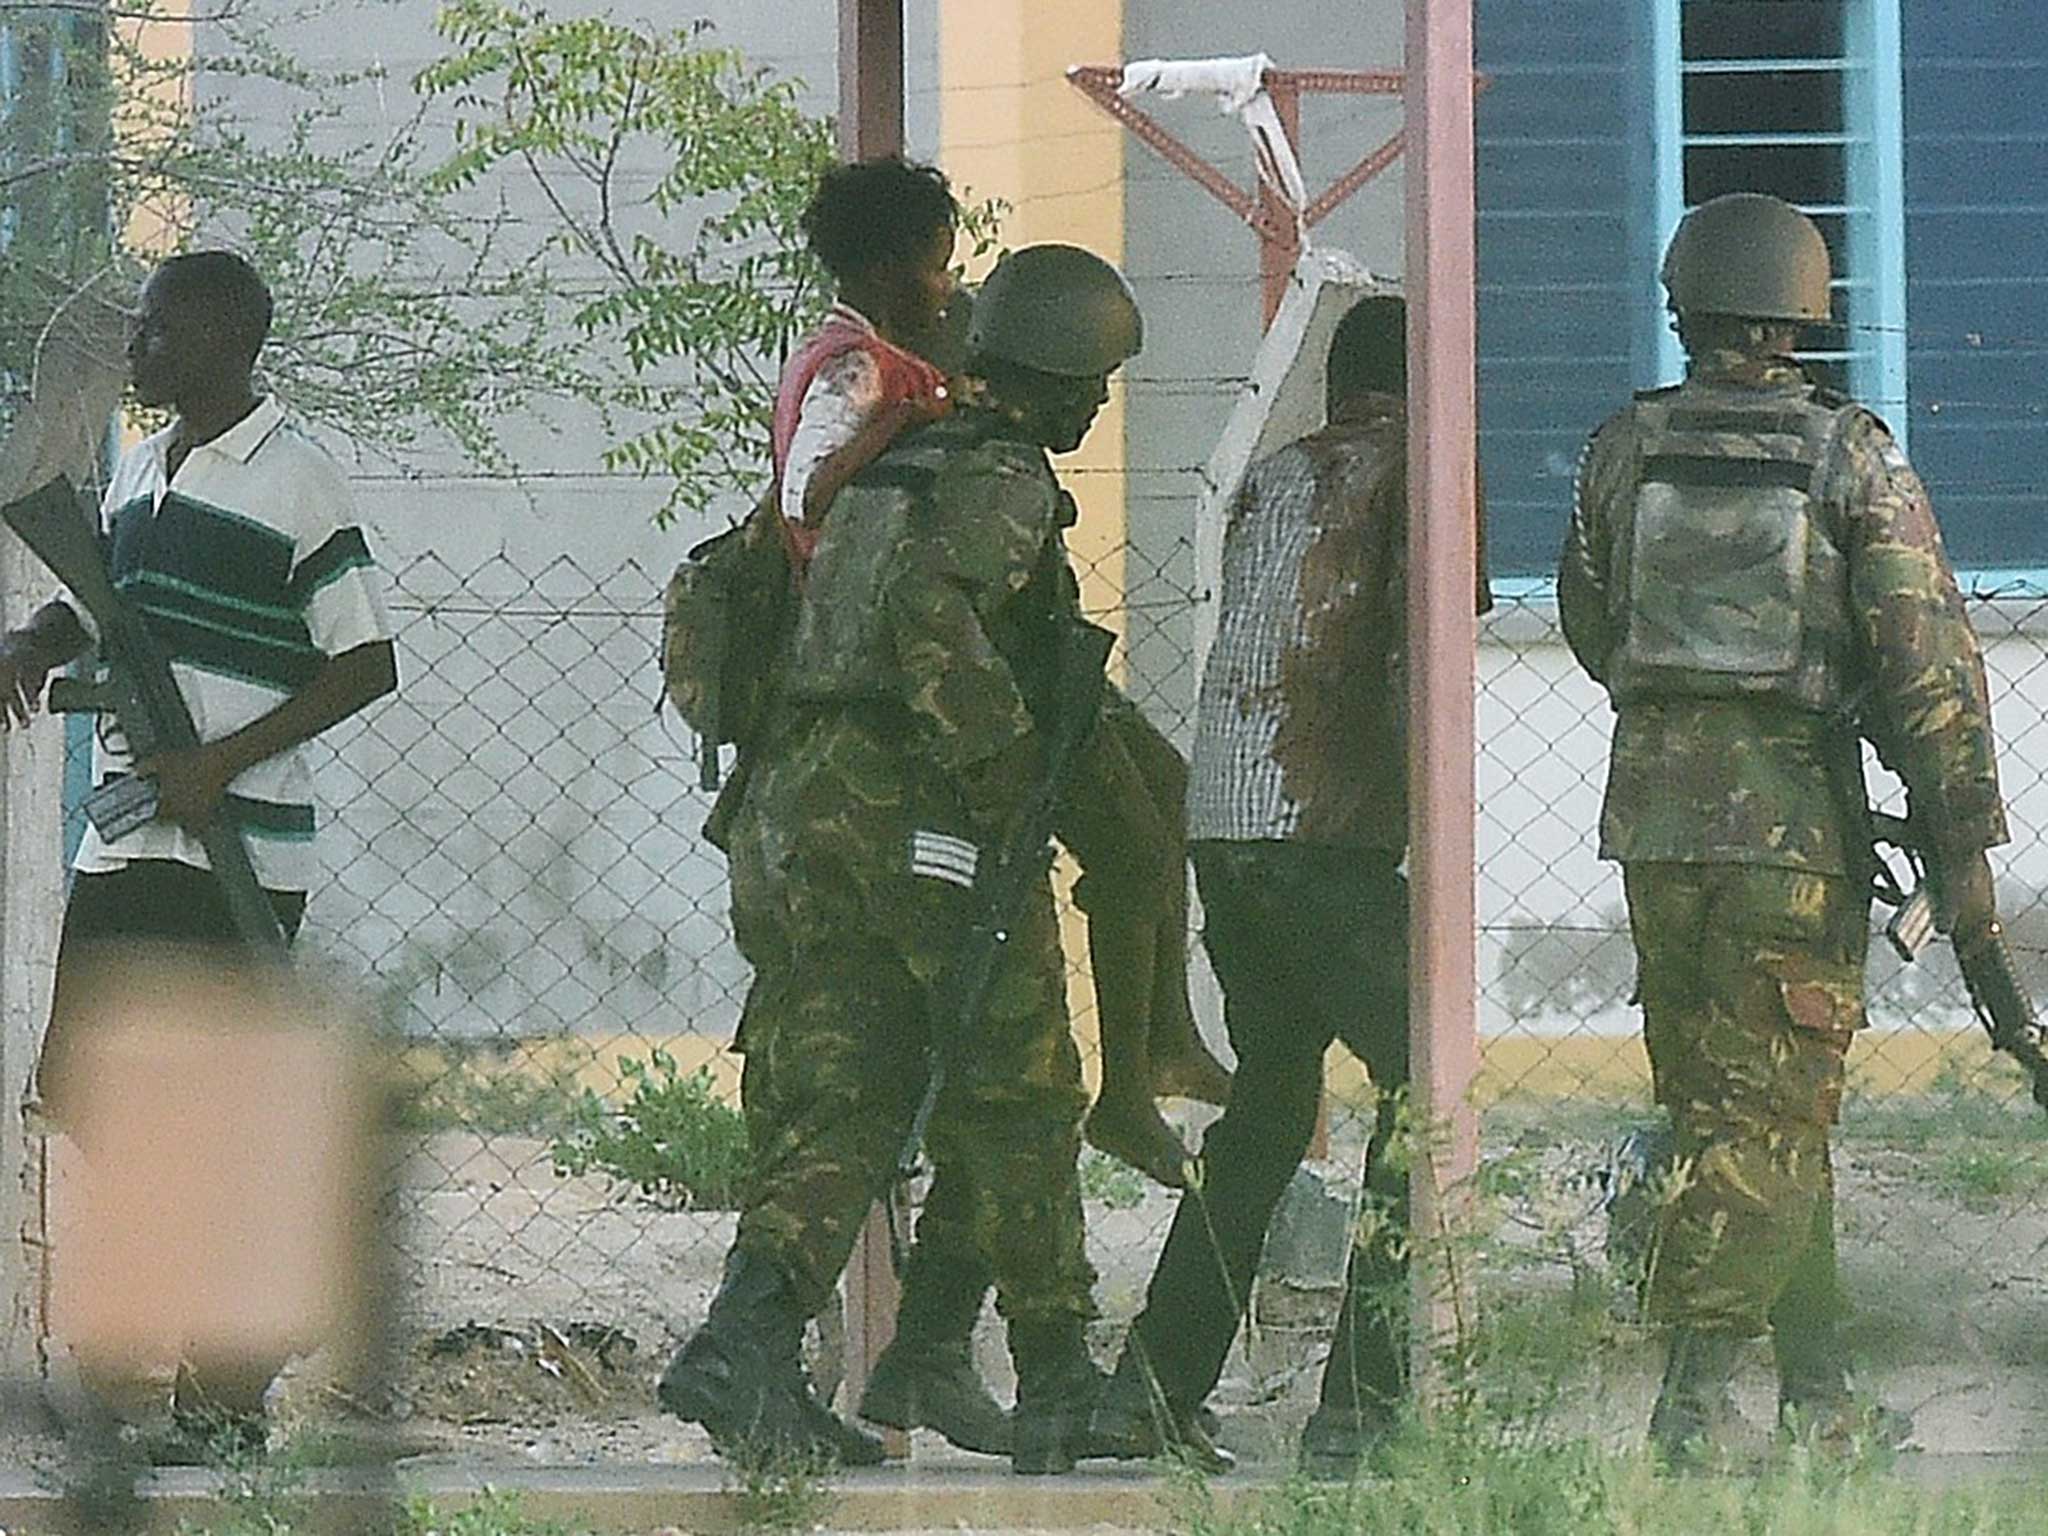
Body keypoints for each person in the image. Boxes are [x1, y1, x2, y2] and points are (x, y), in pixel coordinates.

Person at [660, 243, 1145, 1476]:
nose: (1097, 407)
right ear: (1054, 376)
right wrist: (1002, 785)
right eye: (1093, 383)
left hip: (793, 817)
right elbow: (934, 625)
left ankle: (745, 1344)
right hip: (916, 821)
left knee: (851, 1092)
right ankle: (1055, 1376)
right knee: (1021, 1086)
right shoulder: (998, 477)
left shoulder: (877, 468)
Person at [1558, 192, 2006, 1464]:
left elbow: (1592, 631)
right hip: (1792, 842)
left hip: (1652, 830)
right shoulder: (1847, 456)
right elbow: (1924, 660)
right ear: (1804, 315)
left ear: (1681, 306)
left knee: (1739, 1104)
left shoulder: (1619, 448)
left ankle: (1818, 1398)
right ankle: (1691, 1412)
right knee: (1763, 1120)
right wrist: (1959, 836)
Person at [1088, 294, 1490, 1478]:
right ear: (1430, 384)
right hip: (1323, 831)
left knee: (1267, 1107)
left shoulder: (1276, 473)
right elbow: (1434, 647)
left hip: (1226, 825)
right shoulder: (1421, 469)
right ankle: (1364, 1411)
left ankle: (1150, 1392)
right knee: (1425, 1089)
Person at [0, 249, 399, 1438]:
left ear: (229, 343)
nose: (138, 352)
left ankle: (229, 1376)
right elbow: (109, 598)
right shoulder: (138, 467)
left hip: (234, 849)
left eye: (158, 334)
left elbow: (365, 661)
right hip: (128, 843)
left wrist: (220, 763)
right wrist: (38, 636)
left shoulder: (298, 480)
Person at [773, 156, 1229, 1193]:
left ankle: (1162, 1040)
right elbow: (830, 518)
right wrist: (1001, 761)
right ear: (890, 266)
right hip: (941, 691)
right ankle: (1126, 1084)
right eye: (936, 267)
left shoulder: (888, 365)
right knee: (1131, 841)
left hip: (1003, 659)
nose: (947, 288)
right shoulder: (868, 377)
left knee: (1163, 796)